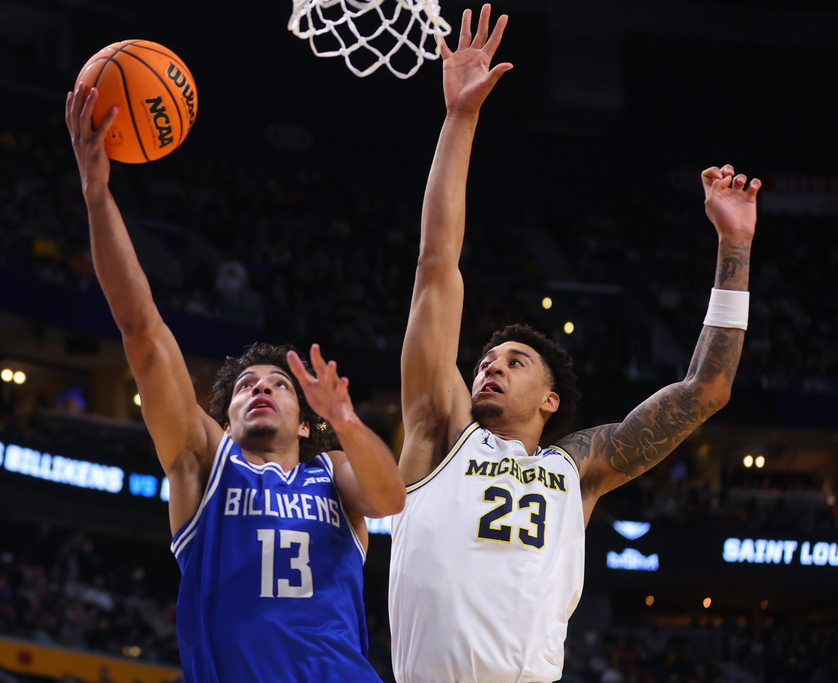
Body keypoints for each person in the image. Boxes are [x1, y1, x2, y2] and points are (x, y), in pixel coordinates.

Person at [387, 5, 760, 682]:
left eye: (514, 360)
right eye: (486, 359)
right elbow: (437, 264)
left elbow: (706, 391)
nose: (491, 366)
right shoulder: (441, 427)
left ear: (551, 398)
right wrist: (459, 120)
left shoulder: (576, 470)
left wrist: (734, 248)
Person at [65, 84, 405, 682]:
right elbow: (142, 330)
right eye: (246, 384)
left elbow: (389, 500)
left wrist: (347, 423)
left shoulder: (332, 471)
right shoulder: (204, 461)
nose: (261, 388)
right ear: (228, 418)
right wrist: (97, 197)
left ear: (306, 421)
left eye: (279, 383)